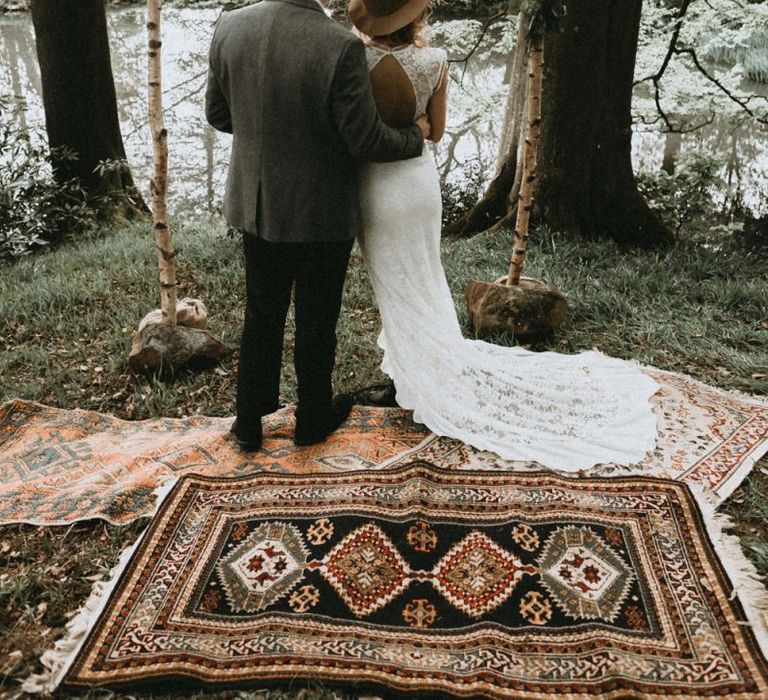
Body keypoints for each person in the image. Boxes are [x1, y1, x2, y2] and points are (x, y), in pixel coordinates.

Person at [351, 0, 660, 471]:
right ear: (414, 16)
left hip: (374, 183)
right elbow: (435, 131)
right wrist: (412, 123)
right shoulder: (434, 61)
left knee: (392, 281)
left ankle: (412, 374)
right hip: (416, 182)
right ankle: (415, 368)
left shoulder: (353, 60)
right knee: (423, 273)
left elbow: (356, 127)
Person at [205, 0, 430, 450]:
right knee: (316, 315)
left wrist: (265, 132)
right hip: (320, 208)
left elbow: (218, 114)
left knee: (261, 310)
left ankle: (248, 421)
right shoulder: (340, 45)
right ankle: (311, 417)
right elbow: (365, 138)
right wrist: (416, 135)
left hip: (258, 203)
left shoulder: (230, 25)